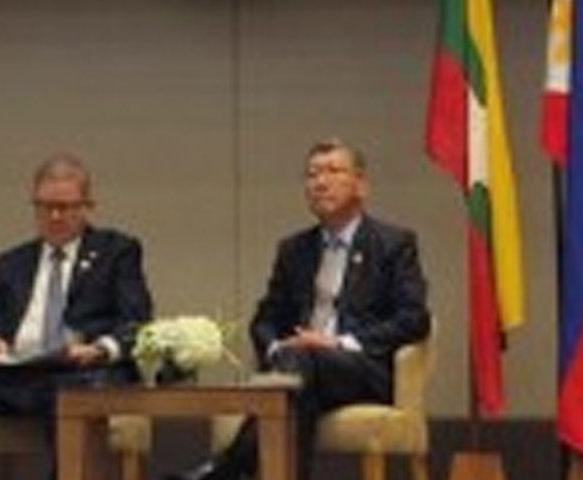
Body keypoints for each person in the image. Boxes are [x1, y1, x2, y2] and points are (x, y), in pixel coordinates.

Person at [174, 139, 430, 480]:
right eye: (312, 174)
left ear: (361, 185)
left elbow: (414, 318)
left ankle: (227, 470)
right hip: (300, 369)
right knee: (297, 388)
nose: (320, 182)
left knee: (297, 370)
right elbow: (265, 319)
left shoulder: (393, 244)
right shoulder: (294, 249)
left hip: (362, 369)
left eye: (333, 171)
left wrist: (337, 343)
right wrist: (277, 348)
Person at [0, 152, 153, 422]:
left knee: (95, 384)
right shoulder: (11, 263)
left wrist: (99, 349)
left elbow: (137, 319)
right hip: (23, 370)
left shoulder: (116, 251)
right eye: (44, 207)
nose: (54, 216)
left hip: (83, 367)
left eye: (64, 207)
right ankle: (54, 404)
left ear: (87, 207)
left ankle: (43, 403)